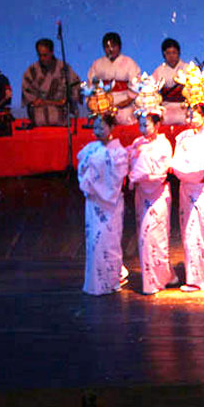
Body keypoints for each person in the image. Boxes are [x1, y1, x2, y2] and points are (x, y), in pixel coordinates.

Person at [128, 73, 177, 295]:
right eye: (140, 123)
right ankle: (155, 278)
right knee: (145, 235)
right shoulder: (136, 143)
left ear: (157, 124)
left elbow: (159, 173)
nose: (142, 127)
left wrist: (142, 176)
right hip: (143, 194)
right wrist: (135, 176)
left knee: (157, 235)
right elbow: (132, 167)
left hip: (157, 194)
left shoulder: (164, 144)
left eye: (146, 123)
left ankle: (160, 277)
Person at [77, 85, 129, 296]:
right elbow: (82, 170)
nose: (98, 131)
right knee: (94, 242)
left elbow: (116, 180)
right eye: (95, 128)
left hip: (110, 202)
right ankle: (97, 282)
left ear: (111, 128)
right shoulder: (89, 149)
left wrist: (95, 181)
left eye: (102, 127)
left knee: (109, 241)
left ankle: (113, 278)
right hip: (93, 202)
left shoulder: (118, 152)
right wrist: (89, 183)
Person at [170, 63, 204, 292]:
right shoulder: (182, 137)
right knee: (189, 230)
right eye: (189, 113)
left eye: (196, 114)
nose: (192, 118)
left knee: (199, 230)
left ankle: (197, 278)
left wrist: (192, 171)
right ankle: (202, 271)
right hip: (186, 186)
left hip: (202, 187)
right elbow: (176, 161)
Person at [22, 38, 80, 126]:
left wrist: (68, 98)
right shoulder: (32, 70)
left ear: (52, 52)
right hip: (39, 114)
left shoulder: (64, 68)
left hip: (61, 113)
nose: (42, 58)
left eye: (45, 55)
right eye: (39, 55)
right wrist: (36, 101)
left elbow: (75, 85)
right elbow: (27, 92)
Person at [87, 32, 141, 125]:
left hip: (124, 101)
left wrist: (124, 102)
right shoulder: (97, 64)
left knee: (125, 117)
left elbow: (136, 86)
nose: (110, 49)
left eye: (113, 46)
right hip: (102, 102)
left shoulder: (129, 63)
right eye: (107, 47)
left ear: (119, 47)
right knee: (99, 121)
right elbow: (91, 85)